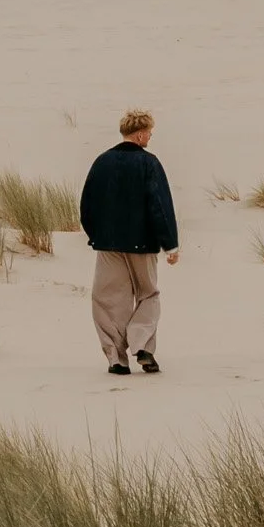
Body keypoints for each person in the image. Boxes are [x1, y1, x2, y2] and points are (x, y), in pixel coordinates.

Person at [79, 109, 179, 373]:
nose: (150, 138)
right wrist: (170, 244)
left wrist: (97, 235)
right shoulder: (149, 163)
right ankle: (142, 345)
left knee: (109, 299)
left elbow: (86, 205)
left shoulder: (101, 162)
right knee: (148, 294)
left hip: (108, 244)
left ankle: (116, 358)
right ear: (140, 134)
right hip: (142, 243)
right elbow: (159, 205)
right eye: (149, 133)